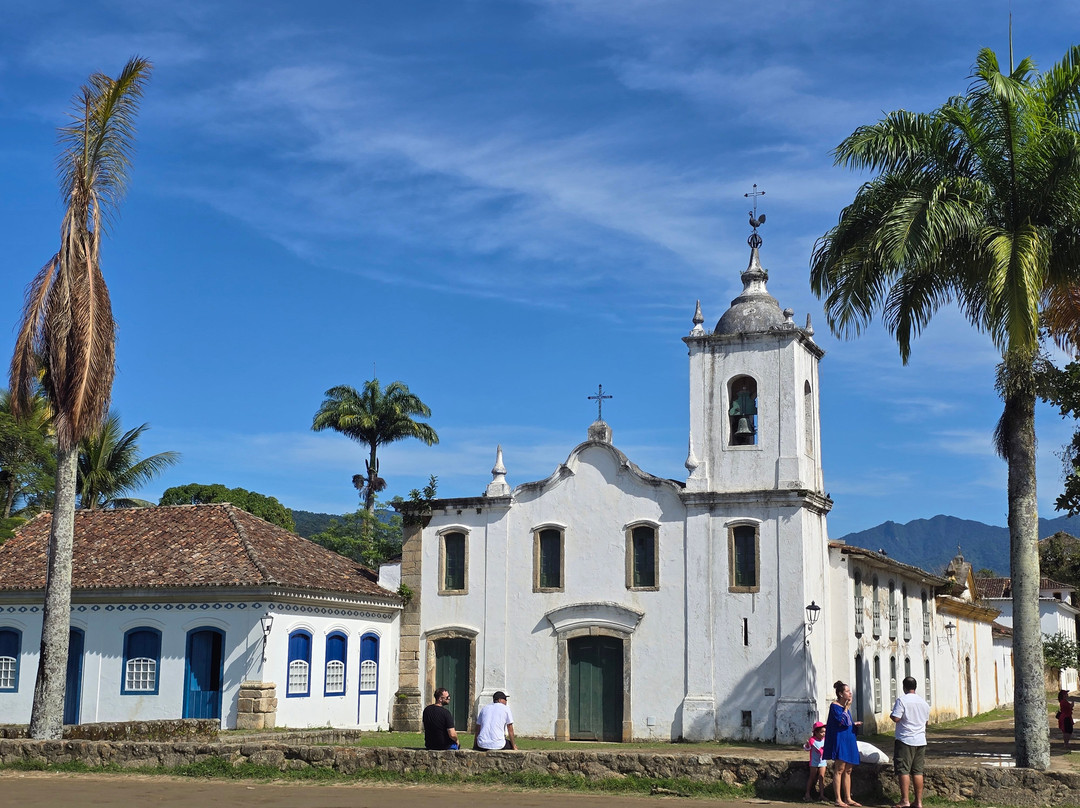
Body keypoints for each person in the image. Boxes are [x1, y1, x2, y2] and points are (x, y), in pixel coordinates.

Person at [890, 676, 930, 808]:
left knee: (904, 770)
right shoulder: (923, 702)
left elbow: (896, 718)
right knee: (918, 771)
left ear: (904, 687)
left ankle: (905, 800)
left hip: (905, 739)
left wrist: (891, 715)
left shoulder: (902, 700)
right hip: (920, 739)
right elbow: (926, 722)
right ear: (915, 687)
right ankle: (918, 802)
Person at [822, 679, 862, 808]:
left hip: (849, 738)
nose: (850, 693)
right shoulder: (835, 706)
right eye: (847, 691)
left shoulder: (844, 707)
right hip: (840, 740)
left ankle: (848, 797)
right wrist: (847, 707)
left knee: (848, 770)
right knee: (839, 769)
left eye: (850, 691)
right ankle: (838, 799)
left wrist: (854, 724)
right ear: (840, 694)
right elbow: (842, 721)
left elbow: (847, 722)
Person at [803, 720, 827, 801]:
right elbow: (809, 748)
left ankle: (822, 795)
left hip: (823, 761)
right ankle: (807, 794)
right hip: (814, 761)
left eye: (824, 732)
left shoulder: (825, 739)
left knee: (821, 777)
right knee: (812, 777)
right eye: (821, 732)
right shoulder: (812, 740)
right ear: (816, 732)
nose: (823, 733)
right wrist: (807, 745)